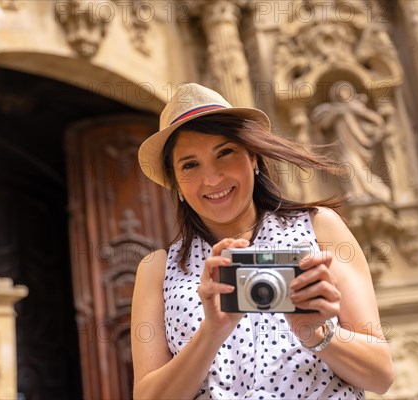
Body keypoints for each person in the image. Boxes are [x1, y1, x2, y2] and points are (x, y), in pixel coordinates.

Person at [131, 83, 394, 399]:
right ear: (175, 183)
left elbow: (380, 375)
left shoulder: (319, 227)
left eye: (225, 152)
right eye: (190, 164)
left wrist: (316, 333)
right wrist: (212, 330)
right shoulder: (158, 269)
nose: (212, 178)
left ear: (253, 157)